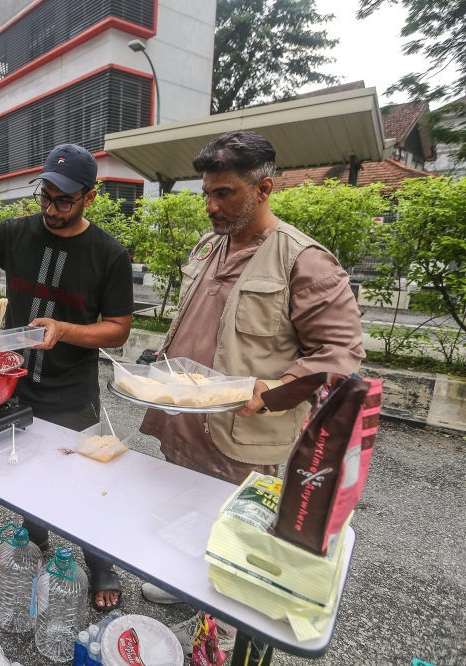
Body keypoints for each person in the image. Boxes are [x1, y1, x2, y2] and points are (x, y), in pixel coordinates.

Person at [138, 131, 365, 608]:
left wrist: (275, 389)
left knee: (231, 522)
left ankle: (220, 611)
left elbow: (342, 353)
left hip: (238, 434)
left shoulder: (304, 260)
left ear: (264, 189)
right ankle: (181, 581)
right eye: (207, 193)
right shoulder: (208, 246)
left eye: (225, 193)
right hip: (182, 415)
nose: (211, 206)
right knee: (178, 507)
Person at [0, 143, 135, 610]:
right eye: (45, 195)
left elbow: (118, 330)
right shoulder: (13, 234)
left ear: (90, 196)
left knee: (81, 482)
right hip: (15, 384)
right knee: (22, 470)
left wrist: (63, 330)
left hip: (72, 392)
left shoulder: (108, 254)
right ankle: (35, 537)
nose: (51, 208)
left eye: (64, 200)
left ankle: (100, 562)